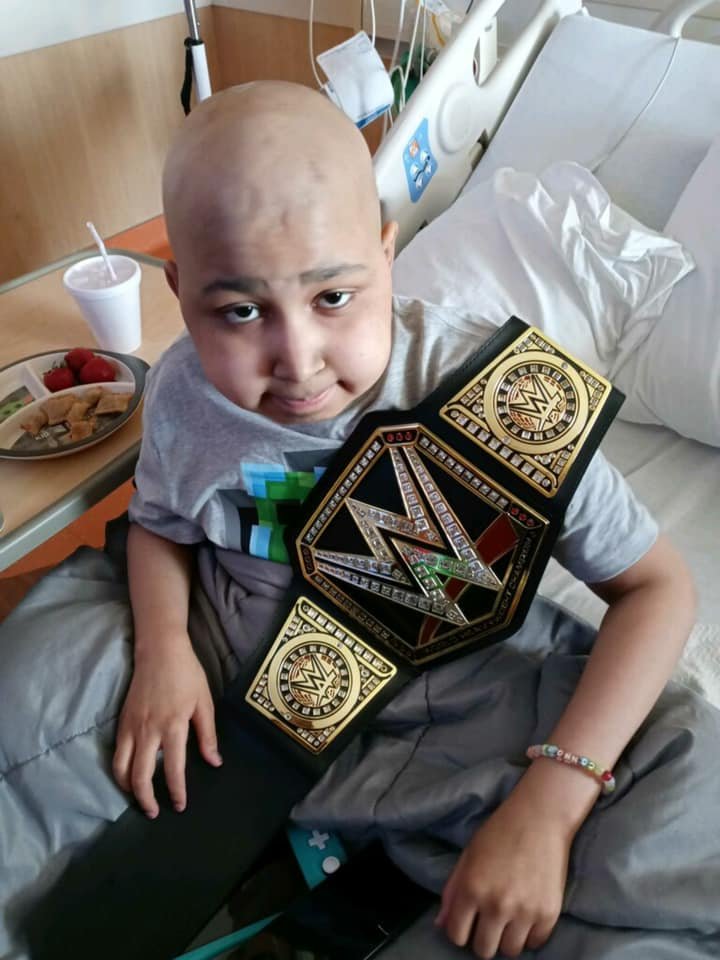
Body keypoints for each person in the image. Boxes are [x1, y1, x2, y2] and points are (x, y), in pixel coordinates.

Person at [1, 81, 717, 960]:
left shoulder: (507, 401)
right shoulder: (187, 391)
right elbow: (160, 524)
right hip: (235, 673)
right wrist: (163, 652)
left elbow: (659, 591)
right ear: (180, 293)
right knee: (33, 689)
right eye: (240, 311)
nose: (297, 360)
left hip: (466, 697)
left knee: (687, 809)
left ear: (387, 252)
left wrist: (553, 800)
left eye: (333, 297)